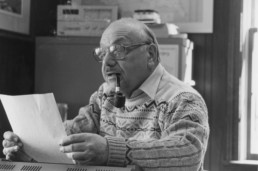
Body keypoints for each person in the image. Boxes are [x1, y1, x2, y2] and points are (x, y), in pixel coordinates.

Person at [2, 18, 209, 171]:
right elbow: (68, 136)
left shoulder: (183, 99)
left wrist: (112, 151)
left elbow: (189, 152)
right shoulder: (105, 95)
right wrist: (30, 148)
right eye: (102, 53)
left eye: (118, 50)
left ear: (151, 55)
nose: (107, 62)